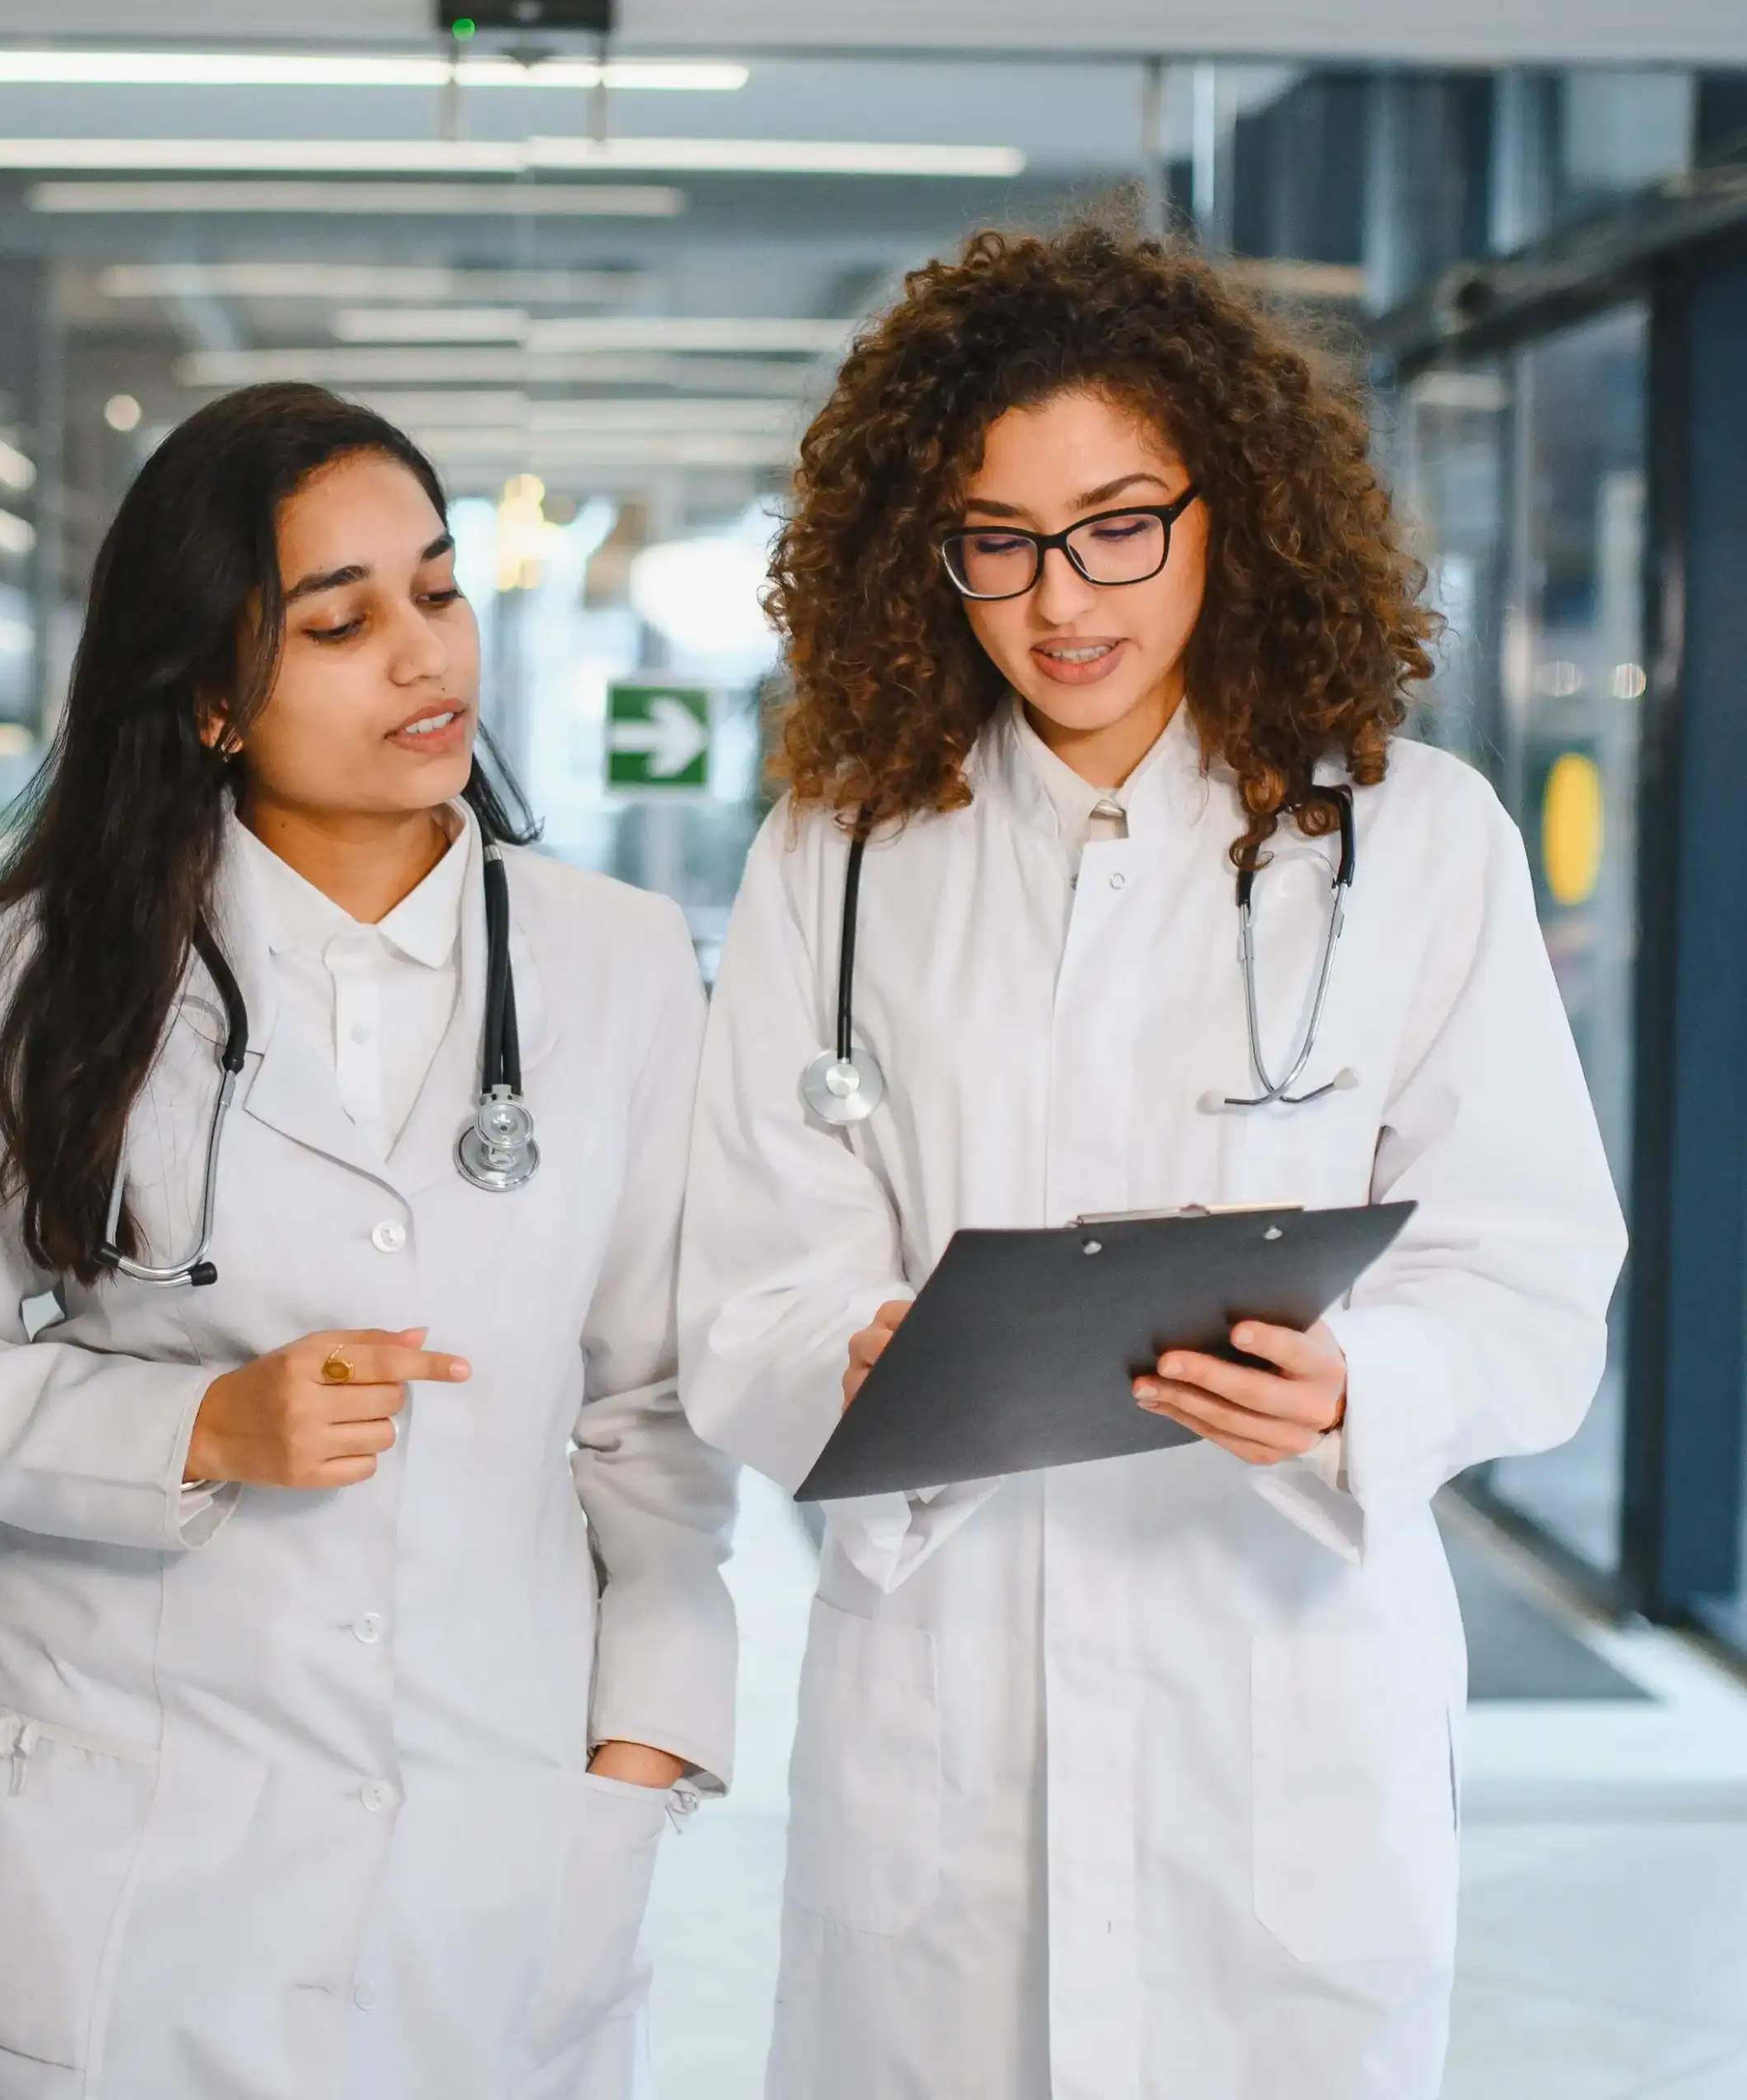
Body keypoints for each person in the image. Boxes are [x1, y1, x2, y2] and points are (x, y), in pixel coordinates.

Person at [678, 225, 1626, 2100]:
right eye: (997, 539)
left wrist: (1360, 1387)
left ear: (1233, 512)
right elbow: (744, 1280)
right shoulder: (839, 855)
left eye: (1118, 523)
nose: (1060, 599)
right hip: (946, 1698)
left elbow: (1528, 1273)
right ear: (918, 549)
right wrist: (853, 1349)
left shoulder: (1412, 840)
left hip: (1274, 1700)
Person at [0, 384, 735, 2100]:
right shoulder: (38, 969)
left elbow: (648, 1407)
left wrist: (646, 1734)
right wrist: (194, 1427)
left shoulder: (613, 962)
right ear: (214, 697)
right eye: (342, 619)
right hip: (134, 1831)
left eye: (438, 590)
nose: (422, 654)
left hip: (494, 1809)